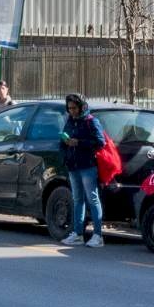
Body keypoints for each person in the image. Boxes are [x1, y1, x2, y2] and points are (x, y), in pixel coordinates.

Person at [58, 92, 106, 248]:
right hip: (73, 165)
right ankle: (78, 234)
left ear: (81, 106)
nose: (71, 111)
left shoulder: (91, 122)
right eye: (69, 108)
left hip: (87, 166)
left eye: (74, 108)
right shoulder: (70, 121)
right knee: (77, 200)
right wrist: (65, 146)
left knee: (92, 199)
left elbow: (100, 142)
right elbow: (63, 143)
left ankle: (97, 235)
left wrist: (79, 143)